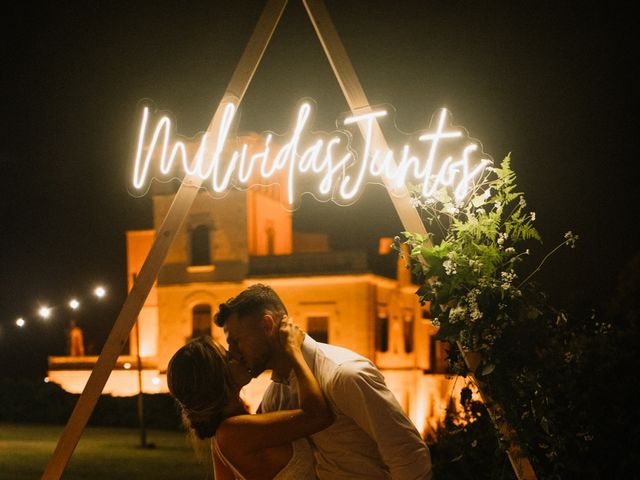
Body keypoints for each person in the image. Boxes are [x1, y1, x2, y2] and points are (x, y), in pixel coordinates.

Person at [215, 283, 433, 480]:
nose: (233, 352)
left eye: (237, 341)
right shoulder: (275, 394)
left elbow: (408, 456)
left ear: (267, 325)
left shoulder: (344, 375)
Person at [167, 320, 332, 480]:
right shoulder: (233, 432)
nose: (238, 355)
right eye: (229, 357)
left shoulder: (229, 434)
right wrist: (294, 351)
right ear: (216, 380)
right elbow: (317, 416)